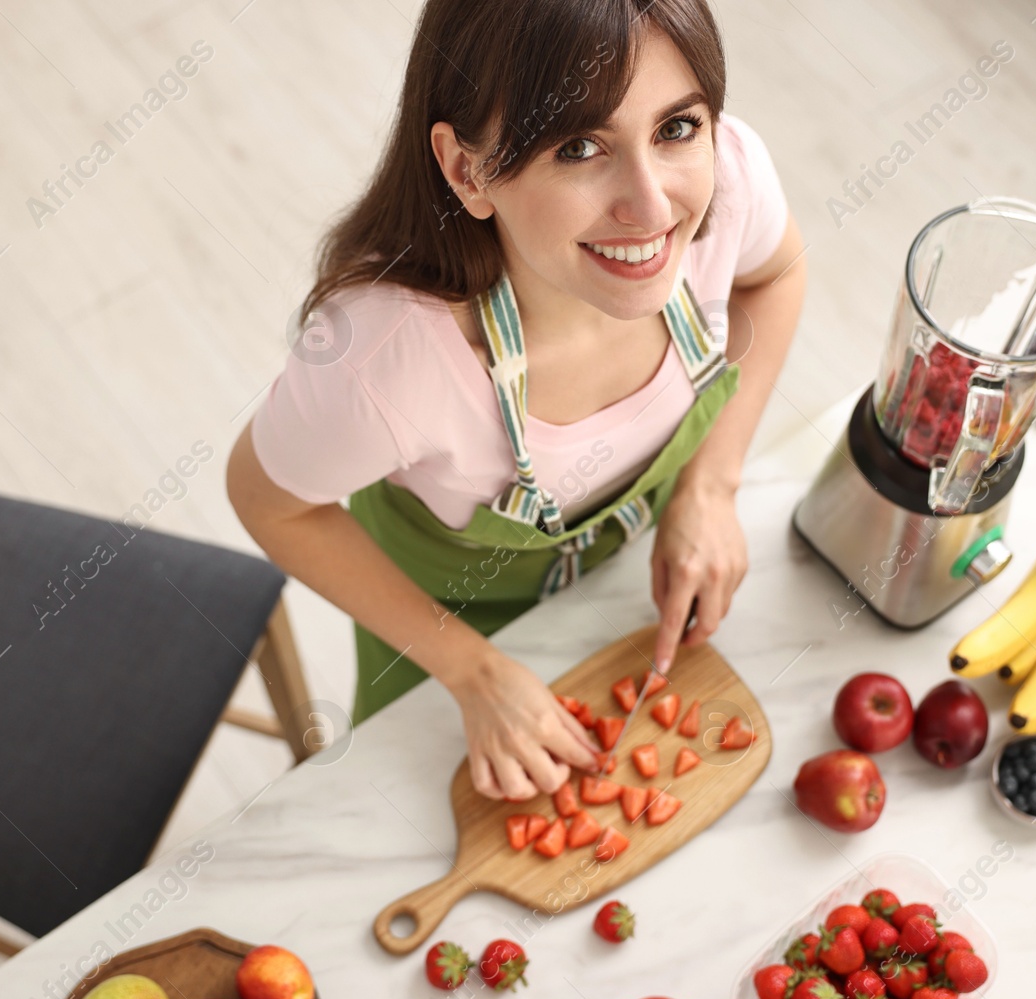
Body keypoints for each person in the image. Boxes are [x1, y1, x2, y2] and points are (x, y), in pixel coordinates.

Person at [227, 0, 806, 801]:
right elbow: (267, 501)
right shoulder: (384, 357)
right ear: (469, 171)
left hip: (641, 588)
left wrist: (712, 483)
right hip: (450, 643)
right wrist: (472, 673)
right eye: (579, 147)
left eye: (677, 128)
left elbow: (776, 275)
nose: (652, 205)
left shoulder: (731, 183)